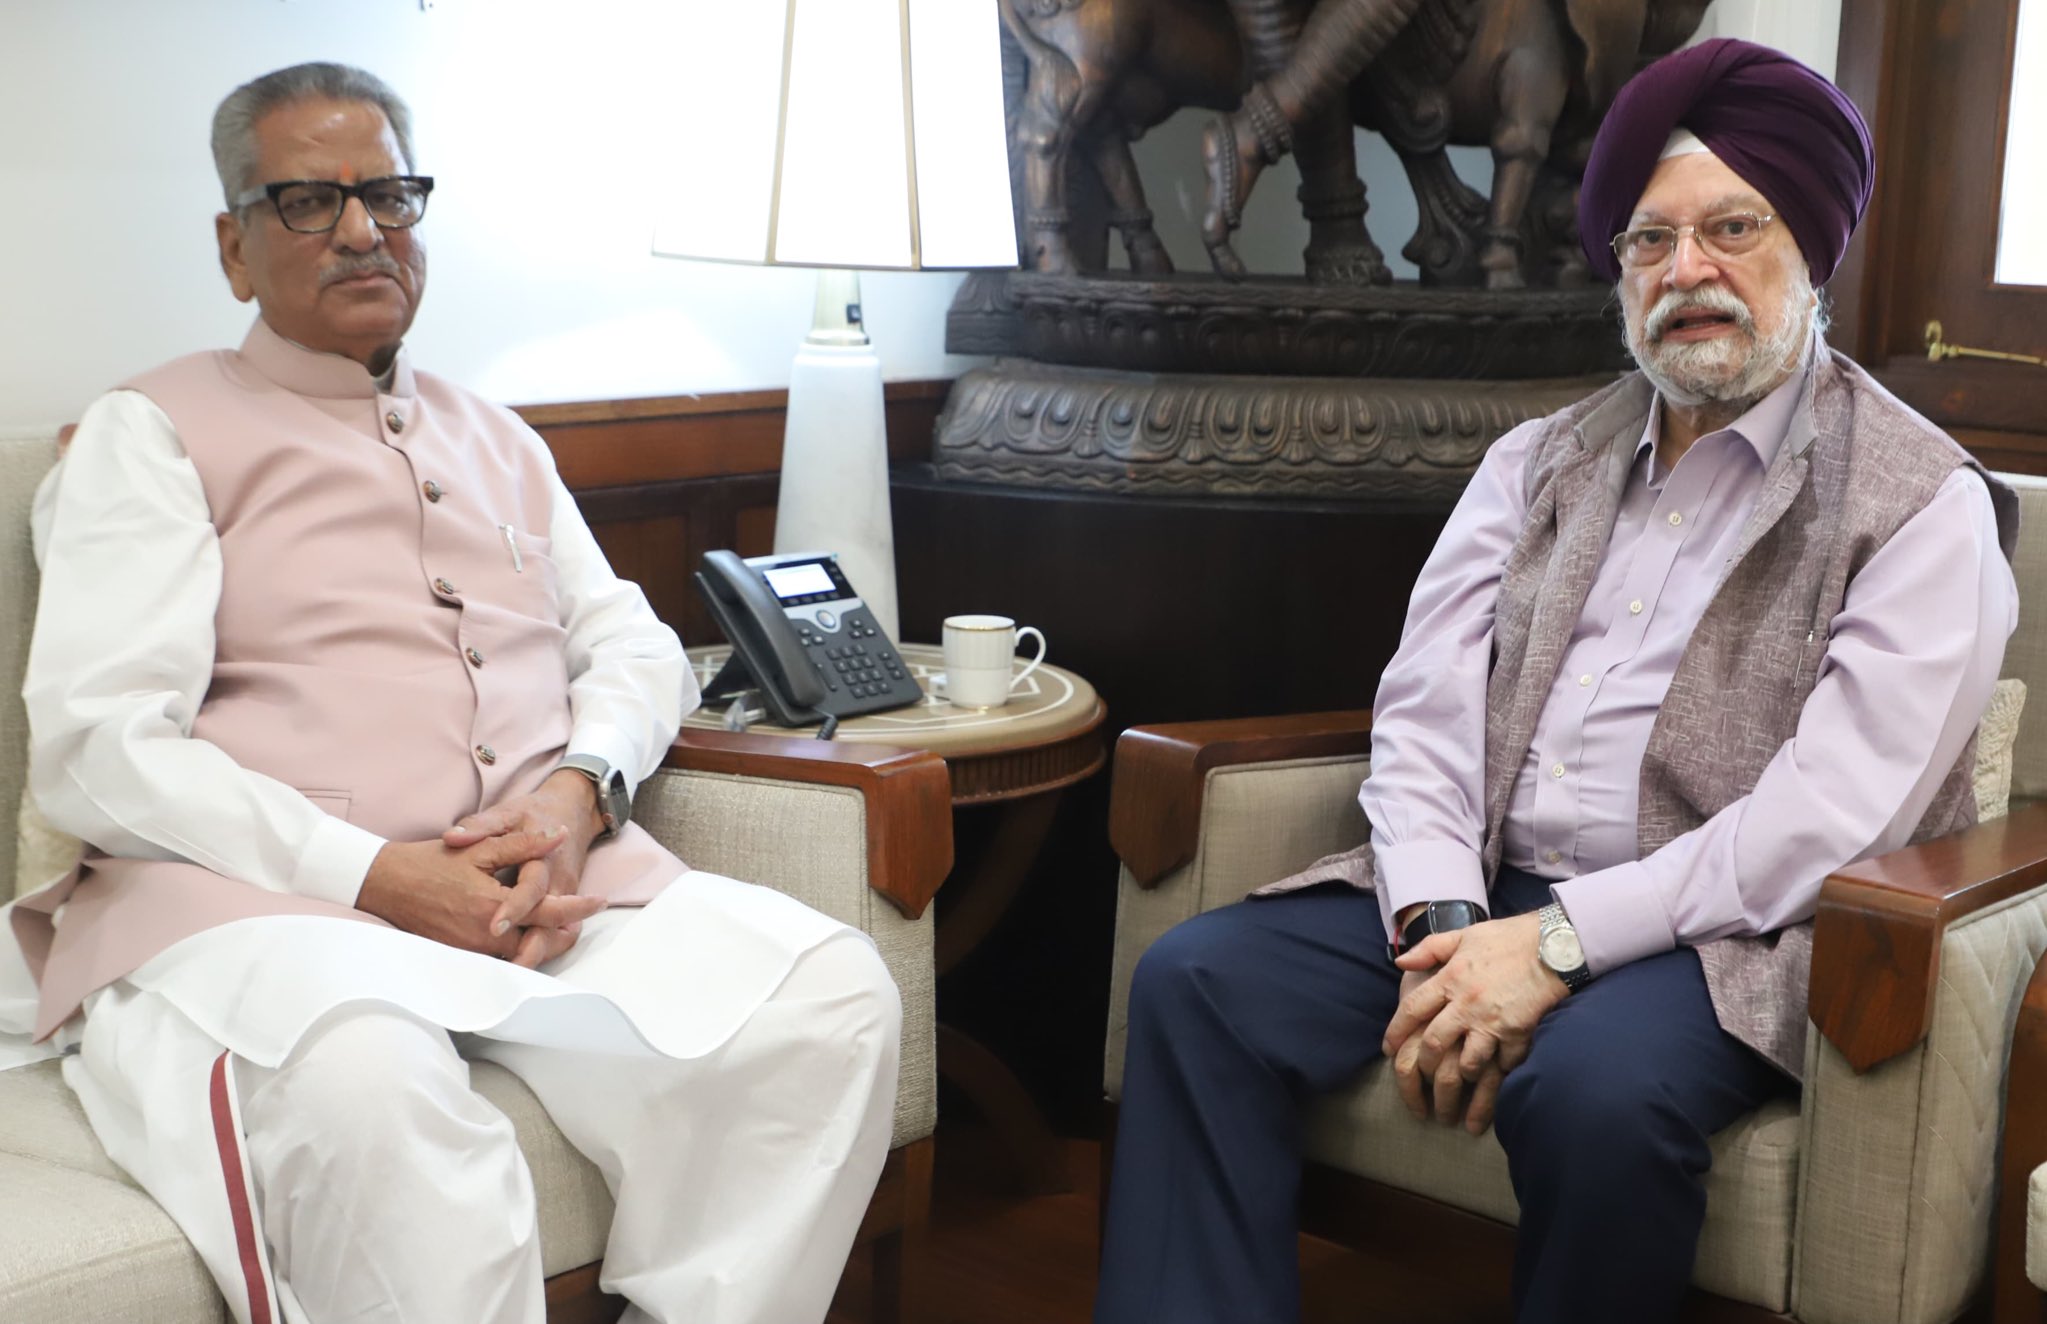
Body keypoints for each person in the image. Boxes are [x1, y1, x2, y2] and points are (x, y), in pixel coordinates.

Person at [1096, 37, 2019, 1324]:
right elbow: (1422, 711)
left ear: (1810, 248)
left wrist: (1561, 947)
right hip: (1481, 883)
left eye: (1731, 228)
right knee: (1194, 984)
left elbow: (1833, 817)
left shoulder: (1921, 506)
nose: (1686, 270)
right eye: (1649, 241)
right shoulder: (1537, 459)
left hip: (1717, 935)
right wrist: (1433, 928)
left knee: (1587, 1093)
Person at [0, 62, 900, 1324]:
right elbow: (98, 750)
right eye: (310, 201)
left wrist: (577, 797)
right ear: (234, 246)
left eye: (390, 195)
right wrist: (374, 873)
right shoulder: (151, 434)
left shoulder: (499, 437)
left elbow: (633, 649)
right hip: (266, 912)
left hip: (544, 887)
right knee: (370, 1086)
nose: (365, 230)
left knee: (829, 993)